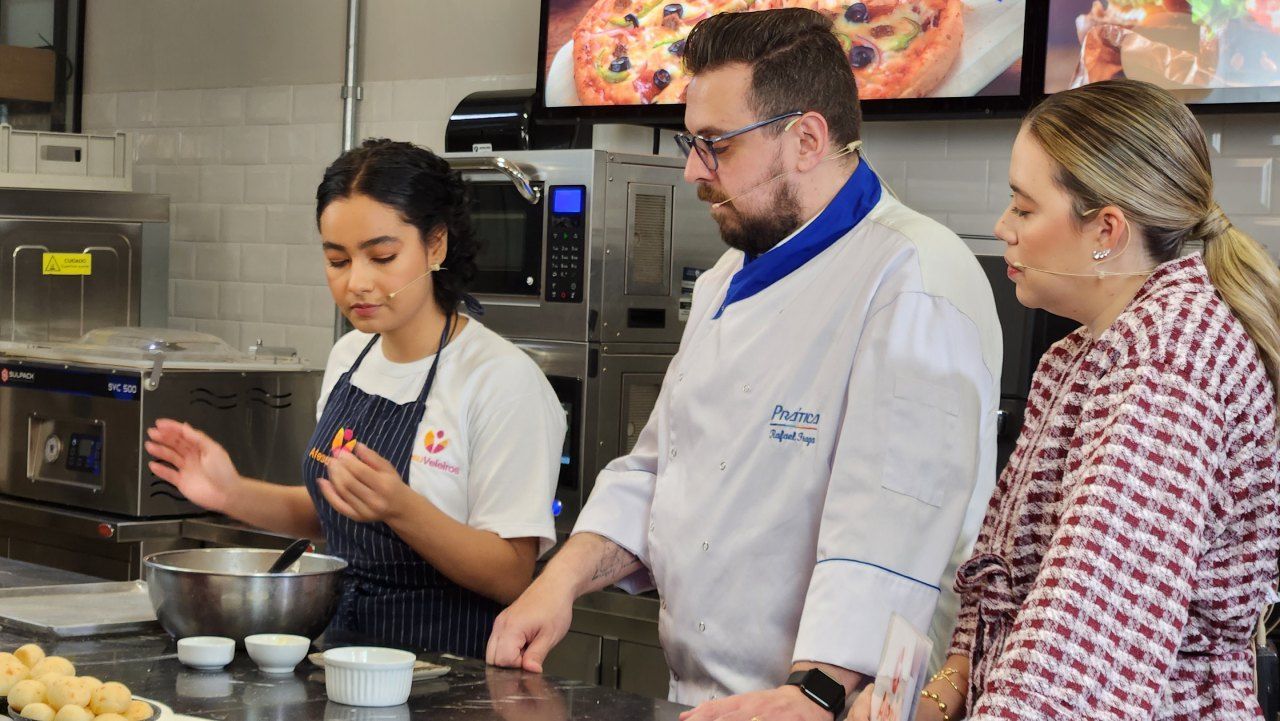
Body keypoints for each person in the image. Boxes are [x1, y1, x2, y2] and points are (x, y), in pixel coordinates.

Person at [487, 8, 1003, 720]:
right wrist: (560, 581)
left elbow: (894, 532)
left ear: (806, 139)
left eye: (714, 145)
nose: (694, 169)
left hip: (823, 705)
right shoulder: (731, 276)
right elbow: (657, 471)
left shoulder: (915, 278)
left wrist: (815, 691)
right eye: (689, 141)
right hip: (700, 698)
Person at [858, 79, 1280, 720]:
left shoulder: (1170, 356)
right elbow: (1011, 589)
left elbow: (1087, 641)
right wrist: (941, 697)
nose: (1003, 228)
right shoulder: (1081, 354)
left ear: (1106, 228)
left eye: (1024, 210)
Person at [146, 139, 567, 658]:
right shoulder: (351, 356)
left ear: (436, 246)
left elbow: (511, 574)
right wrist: (232, 492)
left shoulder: (500, 381)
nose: (357, 283)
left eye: (382, 256)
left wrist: (401, 508)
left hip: (451, 673)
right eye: (337, 260)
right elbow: (335, 516)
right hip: (343, 659)